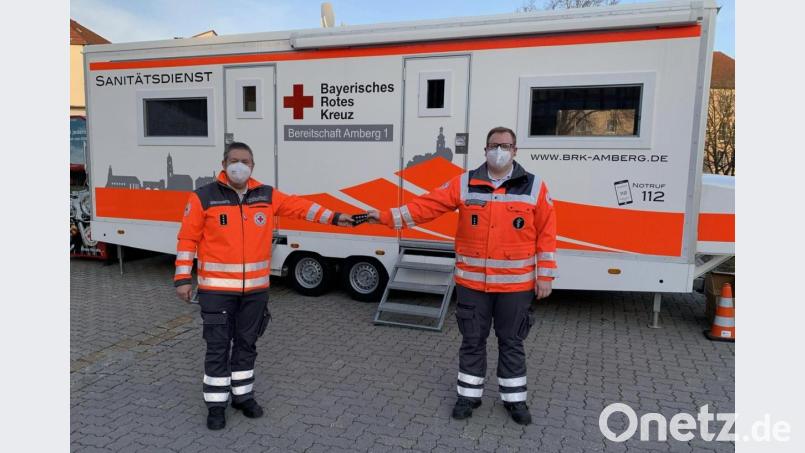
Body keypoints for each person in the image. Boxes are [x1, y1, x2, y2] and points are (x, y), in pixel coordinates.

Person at [366, 126, 557, 425]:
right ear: (485, 149)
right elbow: (426, 206)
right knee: (472, 340)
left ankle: (514, 400)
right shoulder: (465, 183)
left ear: (516, 151)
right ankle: (468, 396)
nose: (499, 151)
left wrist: (544, 276)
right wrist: (388, 217)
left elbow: (547, 234)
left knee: (512, 341)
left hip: (515, 286)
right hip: (472, 284)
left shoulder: (534, 187)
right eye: (494, 145)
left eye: (506, 146)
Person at [174, 142, 354, 430]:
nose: (239, 166)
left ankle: (243, 397)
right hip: (217, 291)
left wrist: (334, 217)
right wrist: (182, 279)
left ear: (252, 166)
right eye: (234, 160)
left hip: (255, 291)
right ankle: (216, 405)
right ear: (223, 164)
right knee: (218, 347)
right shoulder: (203, 197)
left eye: (245, 161)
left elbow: (300, 207)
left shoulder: (266, 195)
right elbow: (187, 241)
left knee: (247, 344)